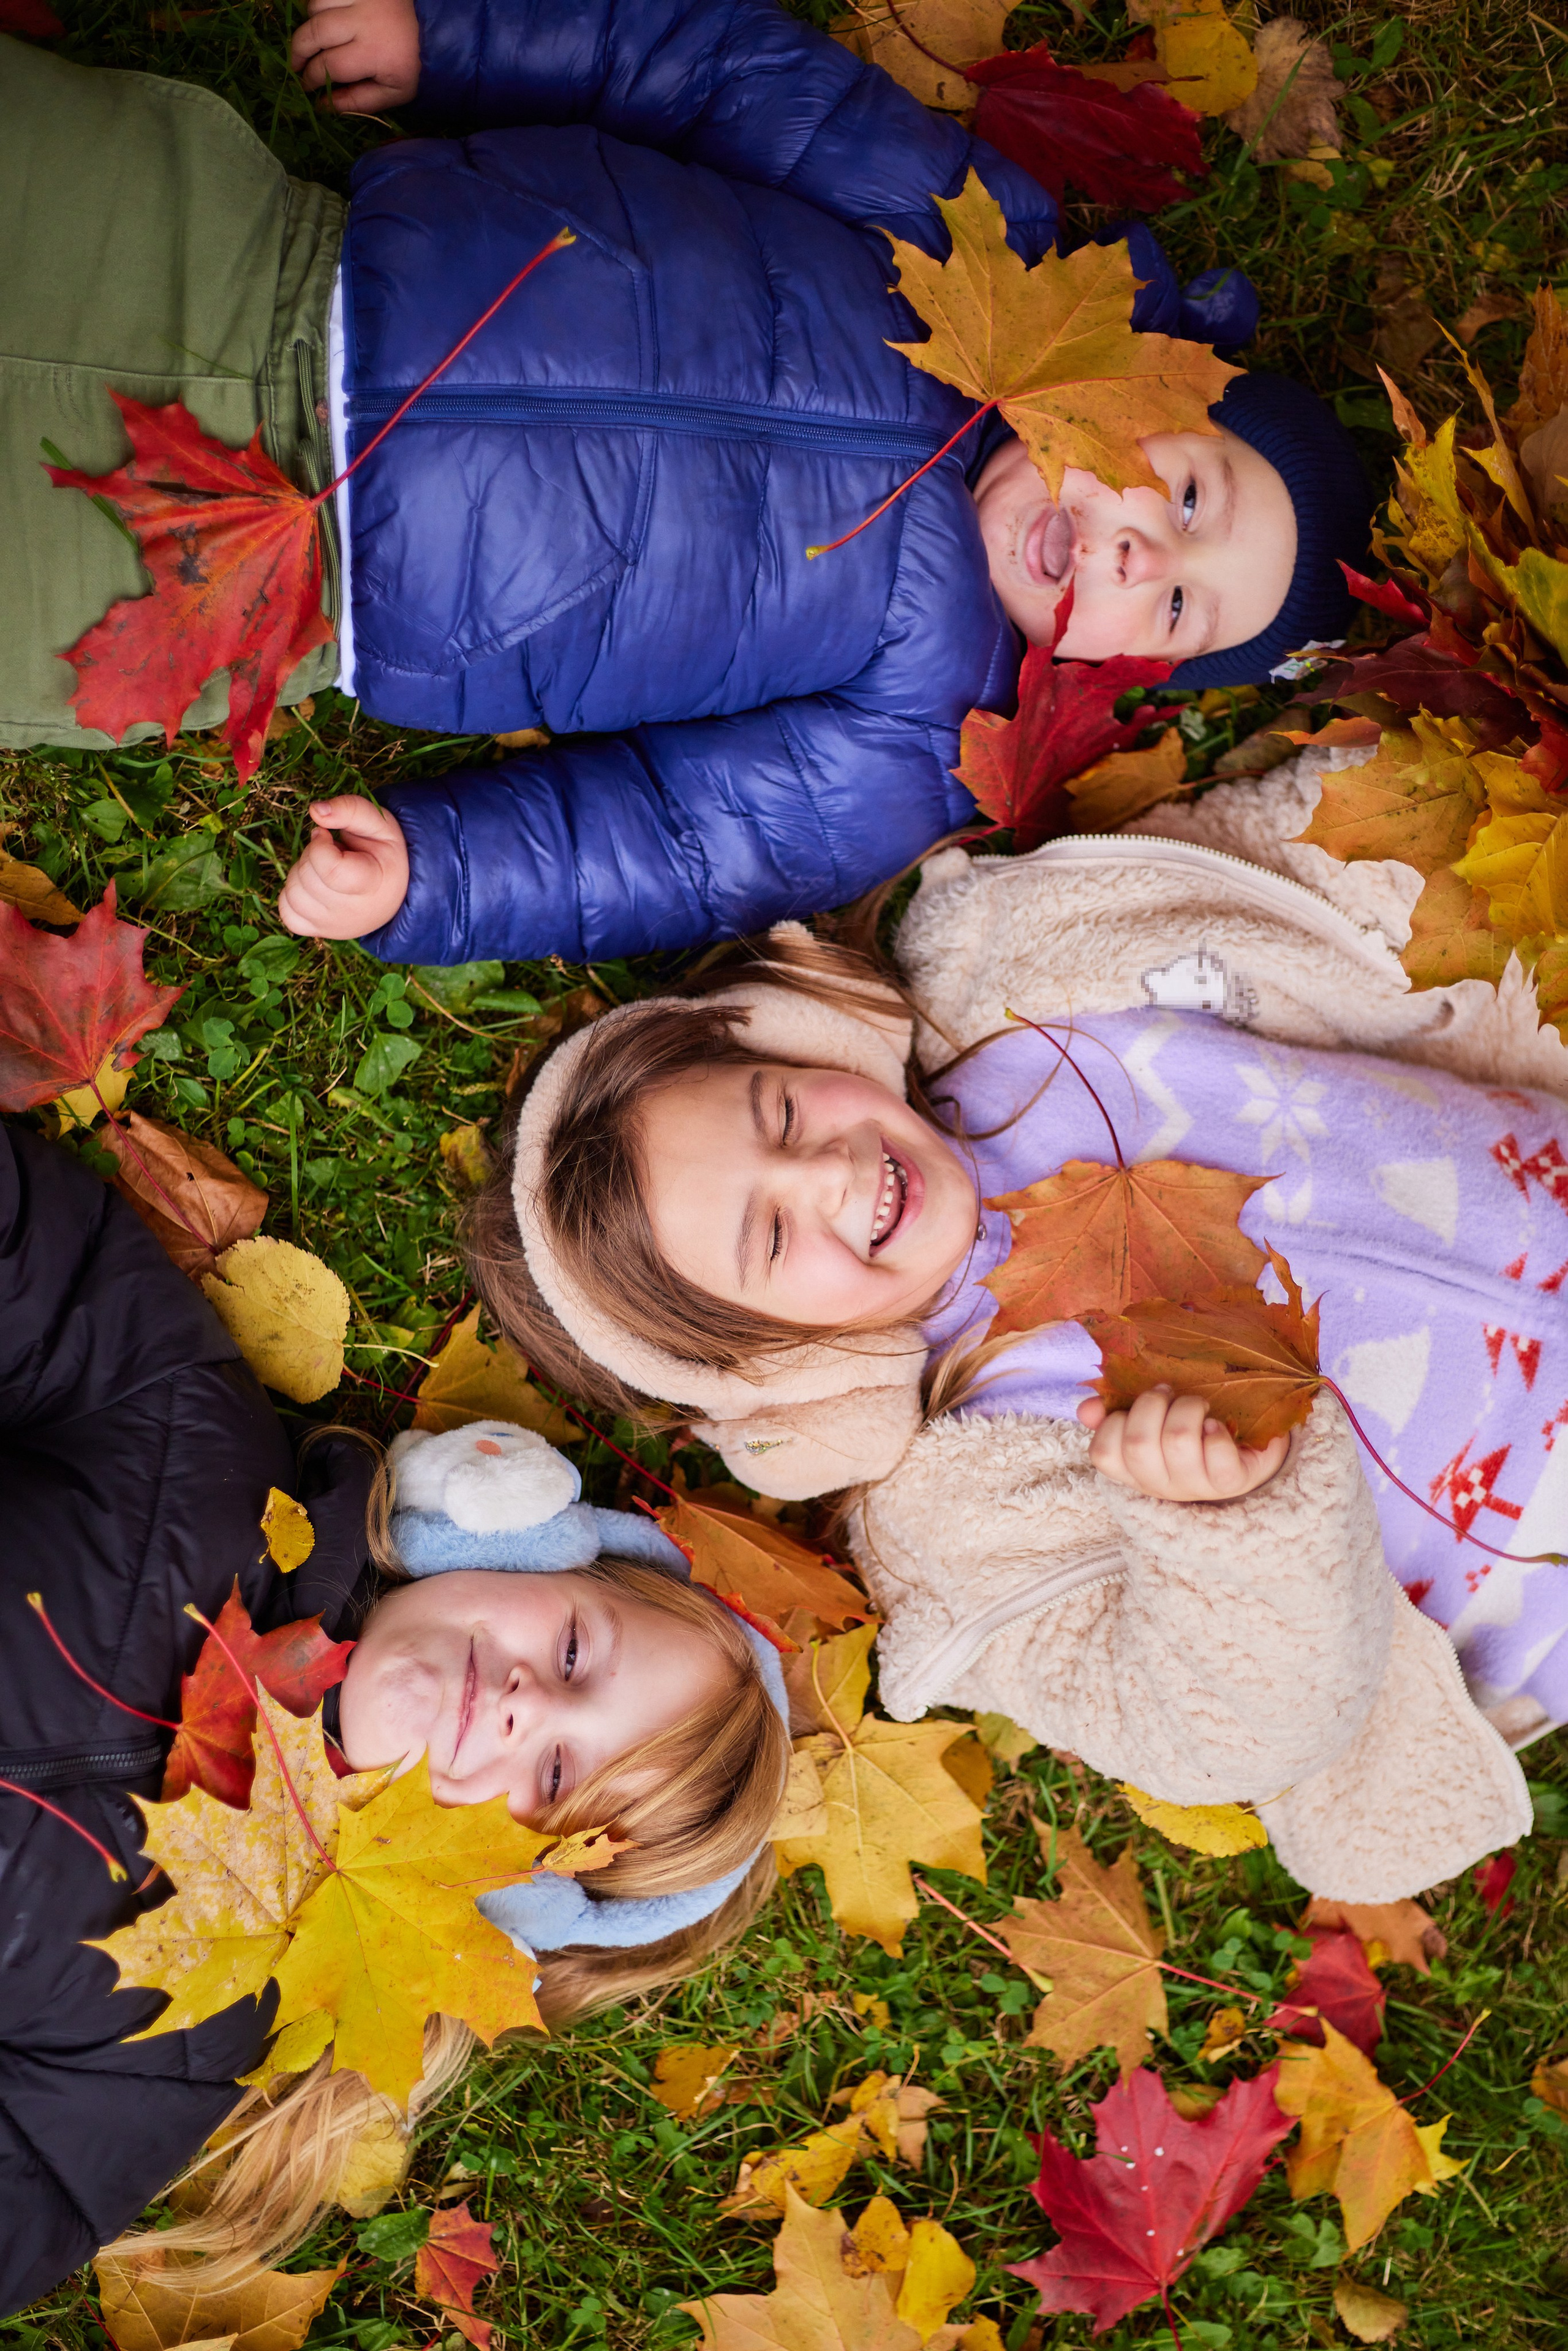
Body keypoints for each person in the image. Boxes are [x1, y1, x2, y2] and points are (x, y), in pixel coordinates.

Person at [2, 4, 1368, 968]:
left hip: (263, 576)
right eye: (1186, 494)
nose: (1142, 554)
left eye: (1180, 608)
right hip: (274, 256)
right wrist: (466, 39)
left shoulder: (917, 739)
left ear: (1125, 672)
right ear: (1143, 375)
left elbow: (677, 839)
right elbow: (719, 74)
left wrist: (442, 876)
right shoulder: (967, 240)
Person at [459, 743, 1568, 1905]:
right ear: (770, 1361)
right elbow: (1211, 1726)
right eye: (771, 1239)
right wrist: (1228, 1535)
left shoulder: (1021, 978)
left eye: (780, 1112)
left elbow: (1302, 863)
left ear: (796, 1037)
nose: (829, 1175)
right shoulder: (956, 1512)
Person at [0, 1120, 789, 2317]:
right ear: (511, 1540)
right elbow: (36, 1255)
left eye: (557, 1780)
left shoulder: (193, 2024)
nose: (528, 1703)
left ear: (490, 1891)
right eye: (574, 1647)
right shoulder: (204, 1468)